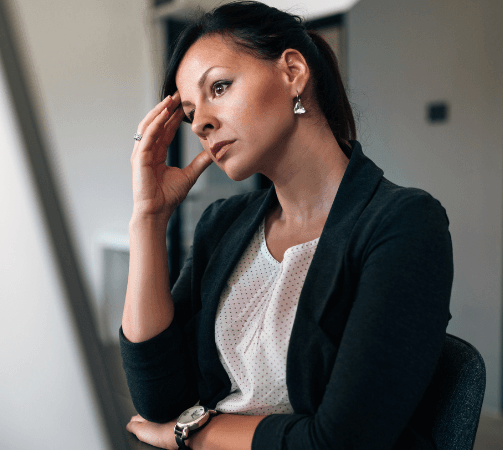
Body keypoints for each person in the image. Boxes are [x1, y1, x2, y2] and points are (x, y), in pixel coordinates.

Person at [120, 2, 454, 449]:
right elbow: (160, 399)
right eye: (188, 112)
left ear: (293, 71)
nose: (200, 122)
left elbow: (341, 442)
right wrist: (148, 217)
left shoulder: (403, 224)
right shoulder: (222, 225)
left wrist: (190, 435)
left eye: (219, 87)